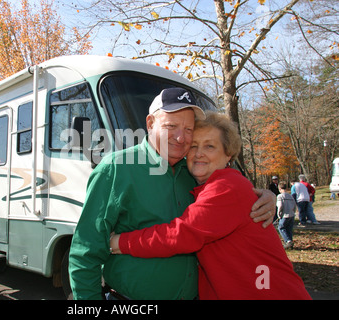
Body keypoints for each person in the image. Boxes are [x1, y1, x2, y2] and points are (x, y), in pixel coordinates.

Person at [68, 88, 276, 300]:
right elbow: (85, 252)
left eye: (188, 129)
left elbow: (228, 199)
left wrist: (265, 196)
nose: (180, 137)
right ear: (150, 124)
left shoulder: (195, 171)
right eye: (171, 126)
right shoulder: (116, 169)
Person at [110, 112, 311, 300]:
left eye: (210, 146)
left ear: (229, 155)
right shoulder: (203, 187)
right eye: (194, 146)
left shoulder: (227, 187)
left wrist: (119, 242)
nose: (199, 154)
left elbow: (182, 234)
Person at [276, 181, 297, 249]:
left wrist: (278, 214)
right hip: (291, 214)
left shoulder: (280, 196)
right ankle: (290, 243)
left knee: (281, 228)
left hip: (285, 215)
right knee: (289, 229)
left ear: (279, 188)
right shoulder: (290, 196)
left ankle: (288, 241)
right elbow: (294, 205)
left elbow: (280, 206)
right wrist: (293, 212)